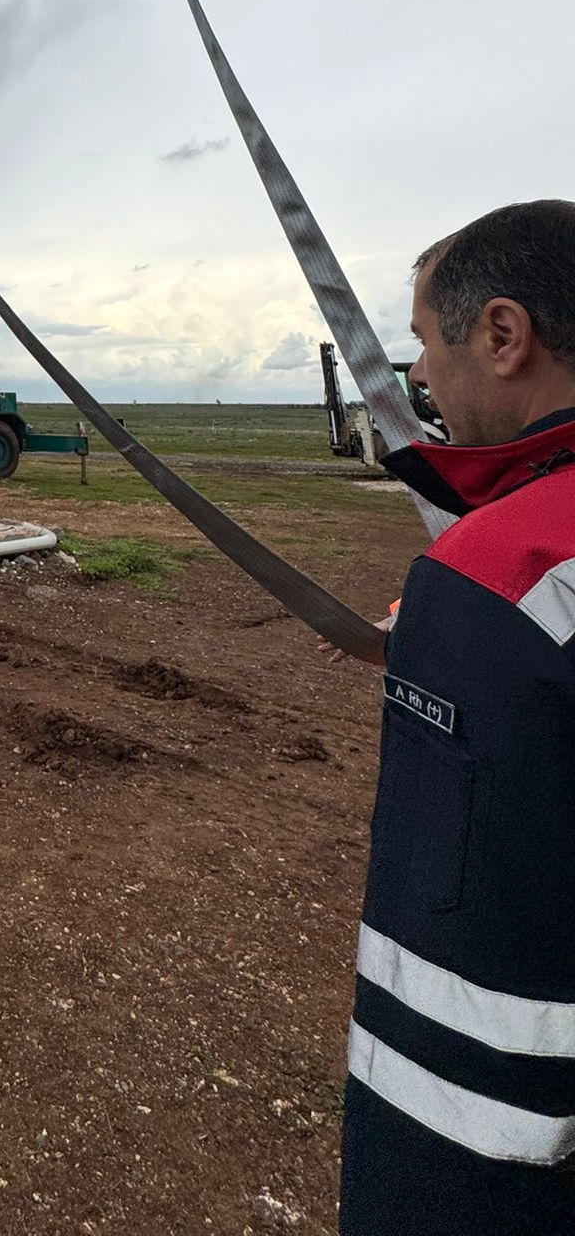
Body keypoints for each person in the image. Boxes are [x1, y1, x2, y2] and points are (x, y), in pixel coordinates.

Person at [340, 201, 575, 1236]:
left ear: (503, 334)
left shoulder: (494, 569)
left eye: (430, 342)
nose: (421, 375)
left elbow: (457, 961)